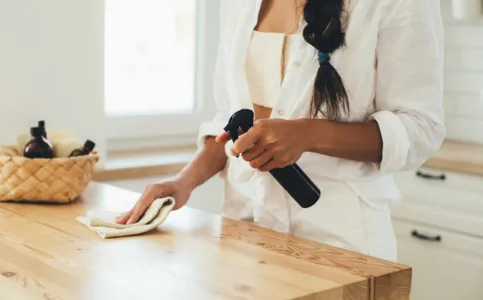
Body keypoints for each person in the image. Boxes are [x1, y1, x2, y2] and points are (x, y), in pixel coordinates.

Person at [116, 0, 445, 262]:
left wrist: (307, 134)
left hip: (341, 244)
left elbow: (420, 126)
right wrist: (183, 182)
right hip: (244, 236)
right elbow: (230, 117)